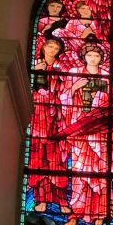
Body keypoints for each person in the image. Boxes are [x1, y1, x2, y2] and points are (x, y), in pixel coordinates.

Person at [61, 43, 113, 225]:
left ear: (102, 58)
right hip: (81, 131)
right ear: (84, 57)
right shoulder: (75, 72)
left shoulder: (107, 76)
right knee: (80, 174)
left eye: (96, 55)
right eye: (90, 55)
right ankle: (75, 213)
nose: (93, 58)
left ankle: (99, 220)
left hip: (100, 132)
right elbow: (63, 99)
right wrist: (75, 87)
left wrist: (102, 99)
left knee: (101, 177)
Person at [28, 37, 71, 214]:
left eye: (56, 47)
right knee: (39, 160)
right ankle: (42, 199)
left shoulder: (63, 68)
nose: (53, 49)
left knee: (57, 160)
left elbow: (67, 89)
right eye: (50, 46)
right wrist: (36, 73)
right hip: (39, 116)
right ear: (43, 47)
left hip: (57, 118)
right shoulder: (35, 66)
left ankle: (62, 201)